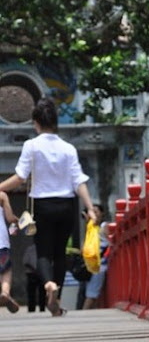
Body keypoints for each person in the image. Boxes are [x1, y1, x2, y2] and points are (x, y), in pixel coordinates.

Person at [0, 97, 96, 316]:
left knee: (43, 251)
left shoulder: (31, 146)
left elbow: (20, 178)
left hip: (42, 206)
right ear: (55, 122)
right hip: (66, 205)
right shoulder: (68, 148)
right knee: (60, 253)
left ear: (36, 122)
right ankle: (57, 298)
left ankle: (48, 285)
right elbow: (78, 180)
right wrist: (89, 207)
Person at [83, 203, 109, 309]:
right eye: (91, 212)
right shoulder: (91, 227)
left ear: (102, 213)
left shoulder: (103, 227)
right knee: (92, 293)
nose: (94, 214)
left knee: (91, 294)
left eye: (96, 212)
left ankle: (84, 314)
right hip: (91, 264)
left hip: (100, 265)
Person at [0, 191, 20, 313]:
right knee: (6, 271)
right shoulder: (1, 195)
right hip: (1, 243)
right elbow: (10, 218)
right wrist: (17, 223)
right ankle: (5, 292)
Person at [22, 243, 46, 312]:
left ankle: (42, 308)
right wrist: (34, 269)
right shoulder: (30, 249)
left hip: (42, 273)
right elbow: (25, 261)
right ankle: (31, 309)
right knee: (31, 293)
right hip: (32, 273)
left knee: (42, 293)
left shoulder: (44, 249)